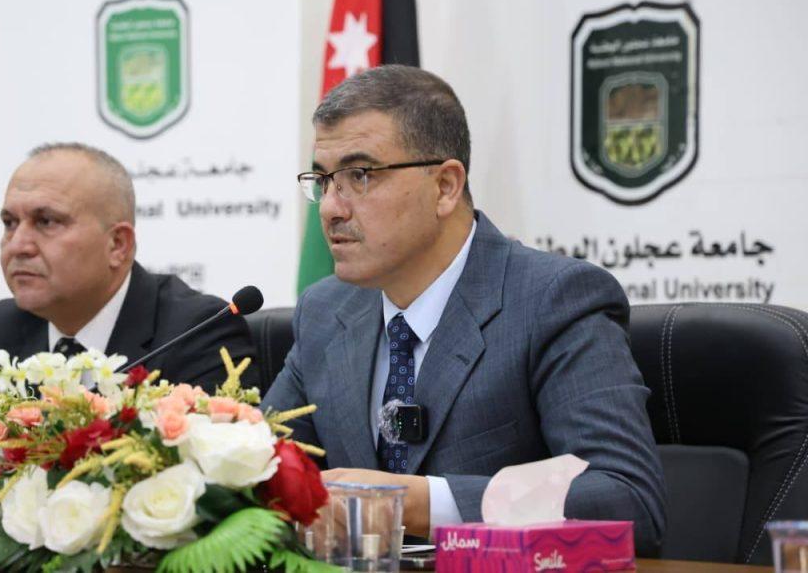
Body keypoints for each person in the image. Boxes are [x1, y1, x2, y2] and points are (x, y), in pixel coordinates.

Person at [262, 66, 665, 554]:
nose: (330, 208)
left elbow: (626, 500)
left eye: (359, 176)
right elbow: (261, 468)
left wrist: (415, 504)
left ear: (446, 186)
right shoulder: (326, 312)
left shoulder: (554, 301)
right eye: (323, 180)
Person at [0, 143, 256, 395]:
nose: (18, 245)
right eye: (10, 223)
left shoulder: (197, 333)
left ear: (117, 245)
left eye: (46, 221)